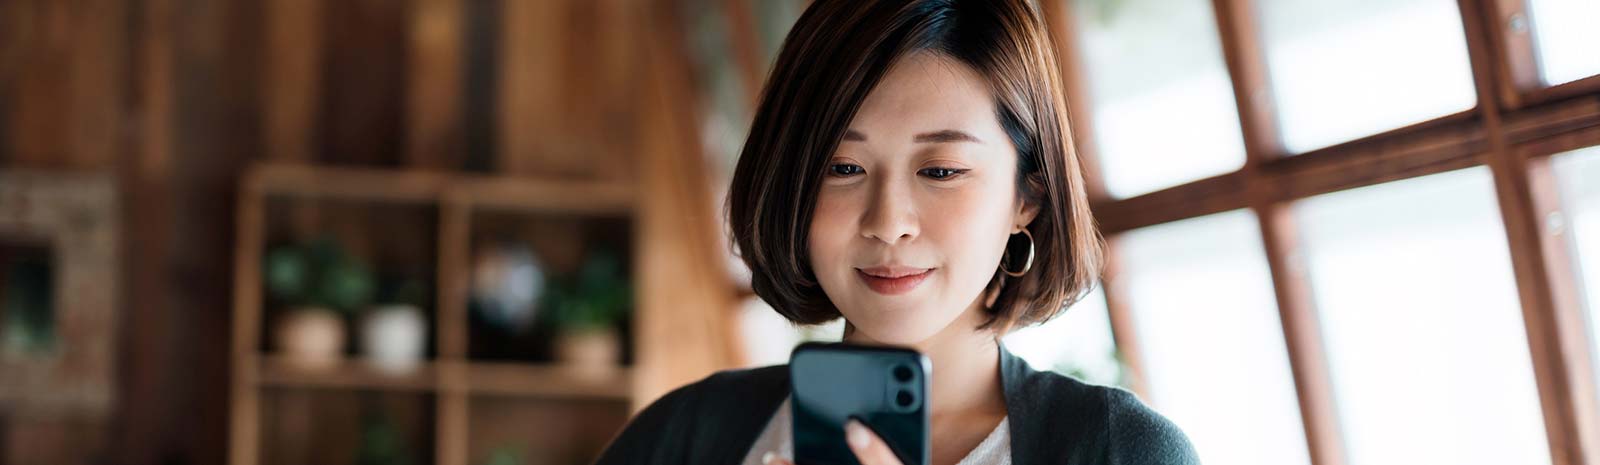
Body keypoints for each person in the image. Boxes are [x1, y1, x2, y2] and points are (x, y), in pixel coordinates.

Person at [596, 0, 1199, 463]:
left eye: (941, 170)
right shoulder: (684, 436)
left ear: (1027, 196)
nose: (888, 224)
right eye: (843, 168)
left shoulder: (1120, 450)